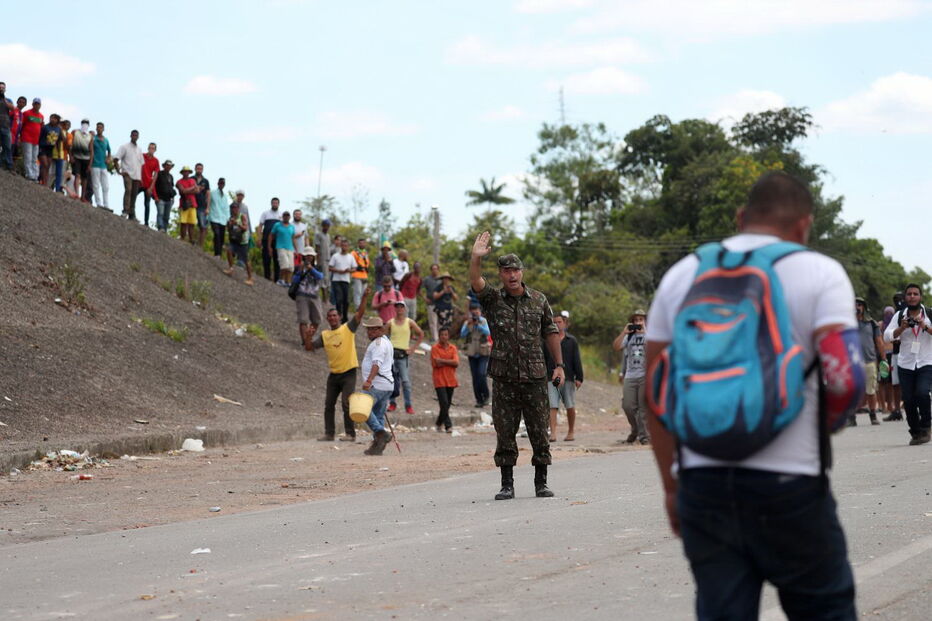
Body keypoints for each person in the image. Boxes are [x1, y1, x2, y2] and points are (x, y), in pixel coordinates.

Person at [645, 171, 862, 619]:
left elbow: (656, 394)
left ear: (740, 216)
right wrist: (818, 426)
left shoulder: (682, 275)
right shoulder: (821, 273)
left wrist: (672, 487)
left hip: (703, 486)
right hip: (792, 483)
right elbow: (846, 379)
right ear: (804, 225)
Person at [469, 233, 564, 500]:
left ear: (522, 272)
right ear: (500, 274)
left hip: (535, 376)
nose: (511, 275)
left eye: (515, 270)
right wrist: (476, 257)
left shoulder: (538, 300)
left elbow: (550, 332)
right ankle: (507, 483)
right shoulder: (492, 299)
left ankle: (541, 482)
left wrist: (559, 365)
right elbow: (475, 281)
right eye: (506, 271)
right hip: (504, 377)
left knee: (539, 430)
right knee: (505, 431)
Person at [308, 286, 373, 442]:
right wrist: (307, 336)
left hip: (349, 372)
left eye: (335, 315)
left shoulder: (347, 329)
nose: (332, 318)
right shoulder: (325, 335)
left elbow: (359, 314)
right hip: (334, 374)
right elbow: (310, 348)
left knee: (346, 403)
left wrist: (364, 297)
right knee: (328, 404)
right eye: (329, 316)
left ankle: (350, 434)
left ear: (340, 317)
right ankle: (329, 433)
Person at [883, 283, 932, 445]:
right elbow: (886, 336)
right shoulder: (899, 316)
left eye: (915, 294)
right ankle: (915, 432)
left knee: (923, 393)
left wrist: (925, 327)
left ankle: (926, 427)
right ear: (905, 298)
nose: (912, 296)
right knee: (908, 399)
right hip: (906, 363)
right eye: (909, 294)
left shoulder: (929, 314)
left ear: (920, 297)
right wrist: (901, 328)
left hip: (926, 361)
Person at [359, 315, 395, 456]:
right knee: (378, 415)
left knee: (362, 407)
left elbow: (377, 364)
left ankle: (381, 433)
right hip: (386, 385)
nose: (369, 333)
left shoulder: (378, 344)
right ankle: (377, 447)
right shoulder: (386, 341)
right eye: (368, 330)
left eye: (372, 330)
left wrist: (368, 380)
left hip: (378, 384)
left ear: (380, 330)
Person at [544, 313, 583, 442]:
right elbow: (544, 358)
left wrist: (579, 377)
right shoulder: (546, 340)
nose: (556, 324)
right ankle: (553, 433)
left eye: (559, 322)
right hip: (550, 376)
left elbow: (576, 359)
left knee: (570, 405)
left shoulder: (571, 341)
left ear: (565, 323)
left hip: (569, 376)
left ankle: (571, 431)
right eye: (554, 322)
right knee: (552, 405)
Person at [613, 310, 649, 444]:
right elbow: (616, 346)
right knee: (628, 406)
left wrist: (645, 332)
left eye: (641, 320)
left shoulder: (649, 335)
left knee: (642, 407)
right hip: (630, 375)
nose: (638, 322)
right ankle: (635, 430)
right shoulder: (628, 337)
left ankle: (644, 436)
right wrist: (624, 332)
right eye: (636, 320)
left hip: (645, 375)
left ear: (645, 321)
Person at [852, 297, 885, 426]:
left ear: (864, 307)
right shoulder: (847, 323)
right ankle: (851, 417)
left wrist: (883, 359)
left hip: (869, 361)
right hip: (853, 362)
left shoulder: (872, 323)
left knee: (871, 390)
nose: (857, 307)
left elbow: (879, 342)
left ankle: (873, 415)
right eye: (855, 305)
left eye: (860, 305)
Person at [387, 300, 423, 414]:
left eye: (401, 307)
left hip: (403, 354)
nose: (399, 309)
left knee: (405, 382)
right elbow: (383, 333)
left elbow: (421, 334)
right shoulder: (390, 322)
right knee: (391, 380)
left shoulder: (409, 322)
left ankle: (408, 405)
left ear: (405, 309)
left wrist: (413, 348)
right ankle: (392, 403)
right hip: (392, 353)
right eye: (397, 307)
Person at [460, 302, 491, 408]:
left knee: (482, 374)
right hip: (472, 352)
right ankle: (479, 399)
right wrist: (469, 324)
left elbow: (488, 332)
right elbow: (462, 334)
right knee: (475, 377)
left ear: (480, 312)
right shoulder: (468, 322)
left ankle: (486, 395)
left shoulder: (484, 321)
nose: (475, 315)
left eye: (476, 312)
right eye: (473, 313)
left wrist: (478, 325)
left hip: (483, 351)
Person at [293, 248, 324, 347]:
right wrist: (300, 271)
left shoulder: (318, 267)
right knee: (303, 319)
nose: (309, 257)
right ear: (304, 256)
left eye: (311, 255)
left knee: (317, 320)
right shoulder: (299, 267)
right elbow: (294, 280)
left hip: (315, 295)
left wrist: (311, 269)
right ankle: (304, 341)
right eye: (307, 255)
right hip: (302, 295)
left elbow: (320, 276)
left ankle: (308, 337)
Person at [432, 326, 460, 432]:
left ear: (448, 336)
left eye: (446, 335)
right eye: (442, 335)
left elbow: (456, 363)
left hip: (451, 379)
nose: (444, 337)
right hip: (439, 379)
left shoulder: (453, 348)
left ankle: (439, 422)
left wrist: (442, 360)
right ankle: (448, 425)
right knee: (444, 403)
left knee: (447, 404)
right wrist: (449, 361)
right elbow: (436, 363)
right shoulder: (435, 348)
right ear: (439, 336)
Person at [115, 130, 144, 220]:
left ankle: (132, 213)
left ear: (138, 137)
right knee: (128, 190)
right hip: (127, 173)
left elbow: (141, 163)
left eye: (136, 135)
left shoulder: (139, 149)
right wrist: (118, 171)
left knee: (134, 194)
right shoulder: (125, 147)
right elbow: (116, 159)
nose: (135, 137)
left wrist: (141, 176)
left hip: (137, 175)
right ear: (131, 136)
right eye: (133, 135)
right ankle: (125, 211)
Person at [224, 199, 254, 285]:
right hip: (234, 240)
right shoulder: (230, 218)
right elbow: (229, 230)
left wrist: (237, 223)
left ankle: (250, 277)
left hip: (243, 242)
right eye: (232, 208)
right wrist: (230, 224)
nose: (234, 210)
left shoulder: (242, 216)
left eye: (235, 208)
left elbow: (245, 228)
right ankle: (231, 268)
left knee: (245, 260)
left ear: (238, 209)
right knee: (229, 250)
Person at [328, 238, 356, 323]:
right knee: (339, 299)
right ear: (340, 246)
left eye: (346, 246)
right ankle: (339, 316)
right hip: (336, 280)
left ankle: (345, 316)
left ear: (348, 247)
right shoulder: (335, 256)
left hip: (346, 280)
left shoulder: (350, 257)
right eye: (343, 245)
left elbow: (354, 268)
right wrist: (338, 271)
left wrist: (349, 270)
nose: (344, 247)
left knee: (346, 300)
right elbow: (330, 267)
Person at [257, 198, 282, 282]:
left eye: (276, 203)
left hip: (277, 241)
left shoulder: (281, 215)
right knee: (266, 259)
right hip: (265, 239)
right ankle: (266, 278)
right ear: (271, 203)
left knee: (277, 260)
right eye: (273, 203)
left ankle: (277, 280)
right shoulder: (265, 213)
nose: (275, 204)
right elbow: (260, 226)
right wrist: (259, 238)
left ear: (278, 204)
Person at [268, 211, 295, 286]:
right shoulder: (277, 225)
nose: (286, 217)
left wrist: (296, 249)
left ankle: (288, 281)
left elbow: (293, 238)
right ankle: (281, 279)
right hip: (280, 247)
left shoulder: (292, 227)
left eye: (287, 216)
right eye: (285, 215)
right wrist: (269, 246)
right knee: (284, 264)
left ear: (290, 217)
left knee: (291, 267)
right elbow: (271, 235)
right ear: (282, 217)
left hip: (290, 248)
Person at [69, 119, 93, 202]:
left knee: (85, 178)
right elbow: (71, 145)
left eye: (86, 123)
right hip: (76, 157)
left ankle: (83, 196)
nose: (84, 125)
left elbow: (91, 150)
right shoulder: (75, 132)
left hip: (86, 159)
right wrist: (71, 156)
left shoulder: (90, 136)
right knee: (77, 175)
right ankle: (76, 194)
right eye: (83, 123)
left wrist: (90, 164)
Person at [20, 98, 43, 181]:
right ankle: (29, 174)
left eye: (38, 104)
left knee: (35, 159)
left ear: (40, 105)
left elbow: (41, 127)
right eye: (35, 104)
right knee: (28, 157)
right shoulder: (26, 113)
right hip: (26, 139)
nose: (37, 105)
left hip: (36, 141)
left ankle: (35, 175)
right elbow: (21, 125)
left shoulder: (41, 116)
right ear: (32, 104)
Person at [90, 122, 111, 209]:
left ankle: (106, 204)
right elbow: (90, 150)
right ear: (96, 129)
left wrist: (108, 158)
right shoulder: (93, 139)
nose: (99, 129)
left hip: (103, 165)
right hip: (95, 164)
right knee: (96, 185)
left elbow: (109, 150)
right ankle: (99, 203)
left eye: (101, 127)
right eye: (98, 127)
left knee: (105, 186)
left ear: (103, 129)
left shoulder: (106, 140)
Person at [38, 113, 63, 189]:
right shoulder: (45, 127)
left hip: (51, 149)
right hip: (43, 147)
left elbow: (59, 141)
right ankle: (43, 182)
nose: (52, 119)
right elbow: (40, 136)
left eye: (54, 118)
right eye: (51, 118)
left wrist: (59, 152)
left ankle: (45, 182)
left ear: (57, 120)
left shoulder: (58, 129)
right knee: (44, 164)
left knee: (48, 166)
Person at [175, 165, 199, 243]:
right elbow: (182, 191)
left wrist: (187, 190)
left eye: (187, 171)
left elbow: (197, 191)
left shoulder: (192, 180)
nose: (186, 173)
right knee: (183, 222)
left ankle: (191, 239)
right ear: (182, 173)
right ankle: (183, 238)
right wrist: (193, 188)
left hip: (192, 204)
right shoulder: (179, 182)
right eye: (185, 171)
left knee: (192, 223)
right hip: (184, 204)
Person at [151, 160, 175, 232]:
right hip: (160, 198)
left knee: (167, 216)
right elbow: (153, 185)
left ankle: (165, 229)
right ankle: (160, 227)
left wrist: (173, 198)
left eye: (170, 166)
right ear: (164, 166)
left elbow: (171, 187)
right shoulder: (159, 174)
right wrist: (155, 196)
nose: (168, 167)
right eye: (167, 165)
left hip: (169, 199)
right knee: (160, 213)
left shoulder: (171, 176)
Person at [207, 177, 229, 257]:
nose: (221, 184)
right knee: (216, 234)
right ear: (218, 183)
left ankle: (219, 253)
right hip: (214, 216)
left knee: (222, 236)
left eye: (223, 183)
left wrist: (228, 218)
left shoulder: (225, 196)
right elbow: (208, 202)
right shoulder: (212, 193)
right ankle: (217, 253)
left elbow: (226, 208)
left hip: (222, 219)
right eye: (220, 183)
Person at [140, 143, 160, 227]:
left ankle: (146, 222)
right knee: (132, 196)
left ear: (155, 150)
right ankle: (130, 214)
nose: (151, 149)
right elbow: (138, 166)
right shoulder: (142, 156)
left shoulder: (156, 161)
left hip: (148, 183)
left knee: (147, 203)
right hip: (140, 181)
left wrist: (151, 187)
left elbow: (156, 174)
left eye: (153, 148)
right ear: (148, 148)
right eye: (150, 148)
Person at [192, 163, 210, 246]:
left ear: (202, 170)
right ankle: (191, 241)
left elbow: (208, 194)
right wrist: (198, 188)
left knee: (202, 226)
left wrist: (207, 208)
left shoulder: (205, 181)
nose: (199, 170)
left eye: (200, 168)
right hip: (192, 204)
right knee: (191, 223)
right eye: (198, 168)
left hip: (202, 206)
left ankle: (200, 245)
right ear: (195, 169)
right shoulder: (191, 179)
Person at [314, 218, 332, 299]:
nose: (327, 227)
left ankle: (326, 298)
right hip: (321, 258)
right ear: (322, 226)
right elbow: (317, 247)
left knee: (327, 278)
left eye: (328, 226)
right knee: (322, 277)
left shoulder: (328, 236)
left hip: (328, 259)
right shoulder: (318, 235)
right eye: (325, 225)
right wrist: (318, 260)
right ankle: (324, 297)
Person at [423, 263, 441, 342]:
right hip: (430, 303)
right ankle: (435, 338)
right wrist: (424, 298)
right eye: (433, 269)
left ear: (438, 270)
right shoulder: (427, 279)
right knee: (432, 322)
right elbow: (420, 289)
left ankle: (440, 337)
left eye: (436, 269)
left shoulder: (441, 280)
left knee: (439, 322)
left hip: (440, 304)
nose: (435, 270)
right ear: (431, 270)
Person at [351, 238, 370, 309]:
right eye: (360, 243)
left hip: (364, 275)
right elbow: (351, 263)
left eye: (363, 243)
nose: (362, 244)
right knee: (357, 292)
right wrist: (357, 267)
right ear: (358, 244)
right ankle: (357, 309)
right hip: (357, 275)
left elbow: (367, 263)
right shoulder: (354, 253)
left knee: (363, 294)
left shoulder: (365, 253)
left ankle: (362, 308)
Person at [0, 82, 13, 171]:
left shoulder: (8, 100)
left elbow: (12, 108)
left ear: (5, 89)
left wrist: (3, 98)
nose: (1, 89)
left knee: (7, 146)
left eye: (2, 88)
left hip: (5, 125)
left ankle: (8, 165)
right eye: (0, 87)